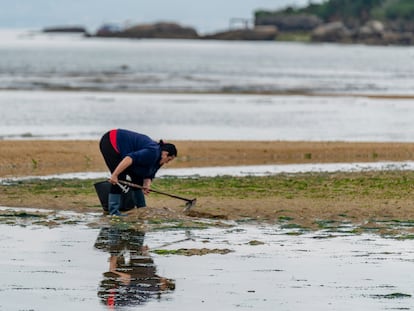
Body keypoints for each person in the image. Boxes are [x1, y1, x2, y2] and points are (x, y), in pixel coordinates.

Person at [99, 129, 177, 216]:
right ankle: (113, 212)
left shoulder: (160, 159)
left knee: (138, 177)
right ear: (165, 154)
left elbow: (149, 173)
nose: (167, 162)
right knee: (120, 178)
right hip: (111, 141)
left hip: (125, 150)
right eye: (169, 159)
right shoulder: (153, 152)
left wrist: (146, 185)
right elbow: (129, 158)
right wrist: (114, 175)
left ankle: (142, 208)